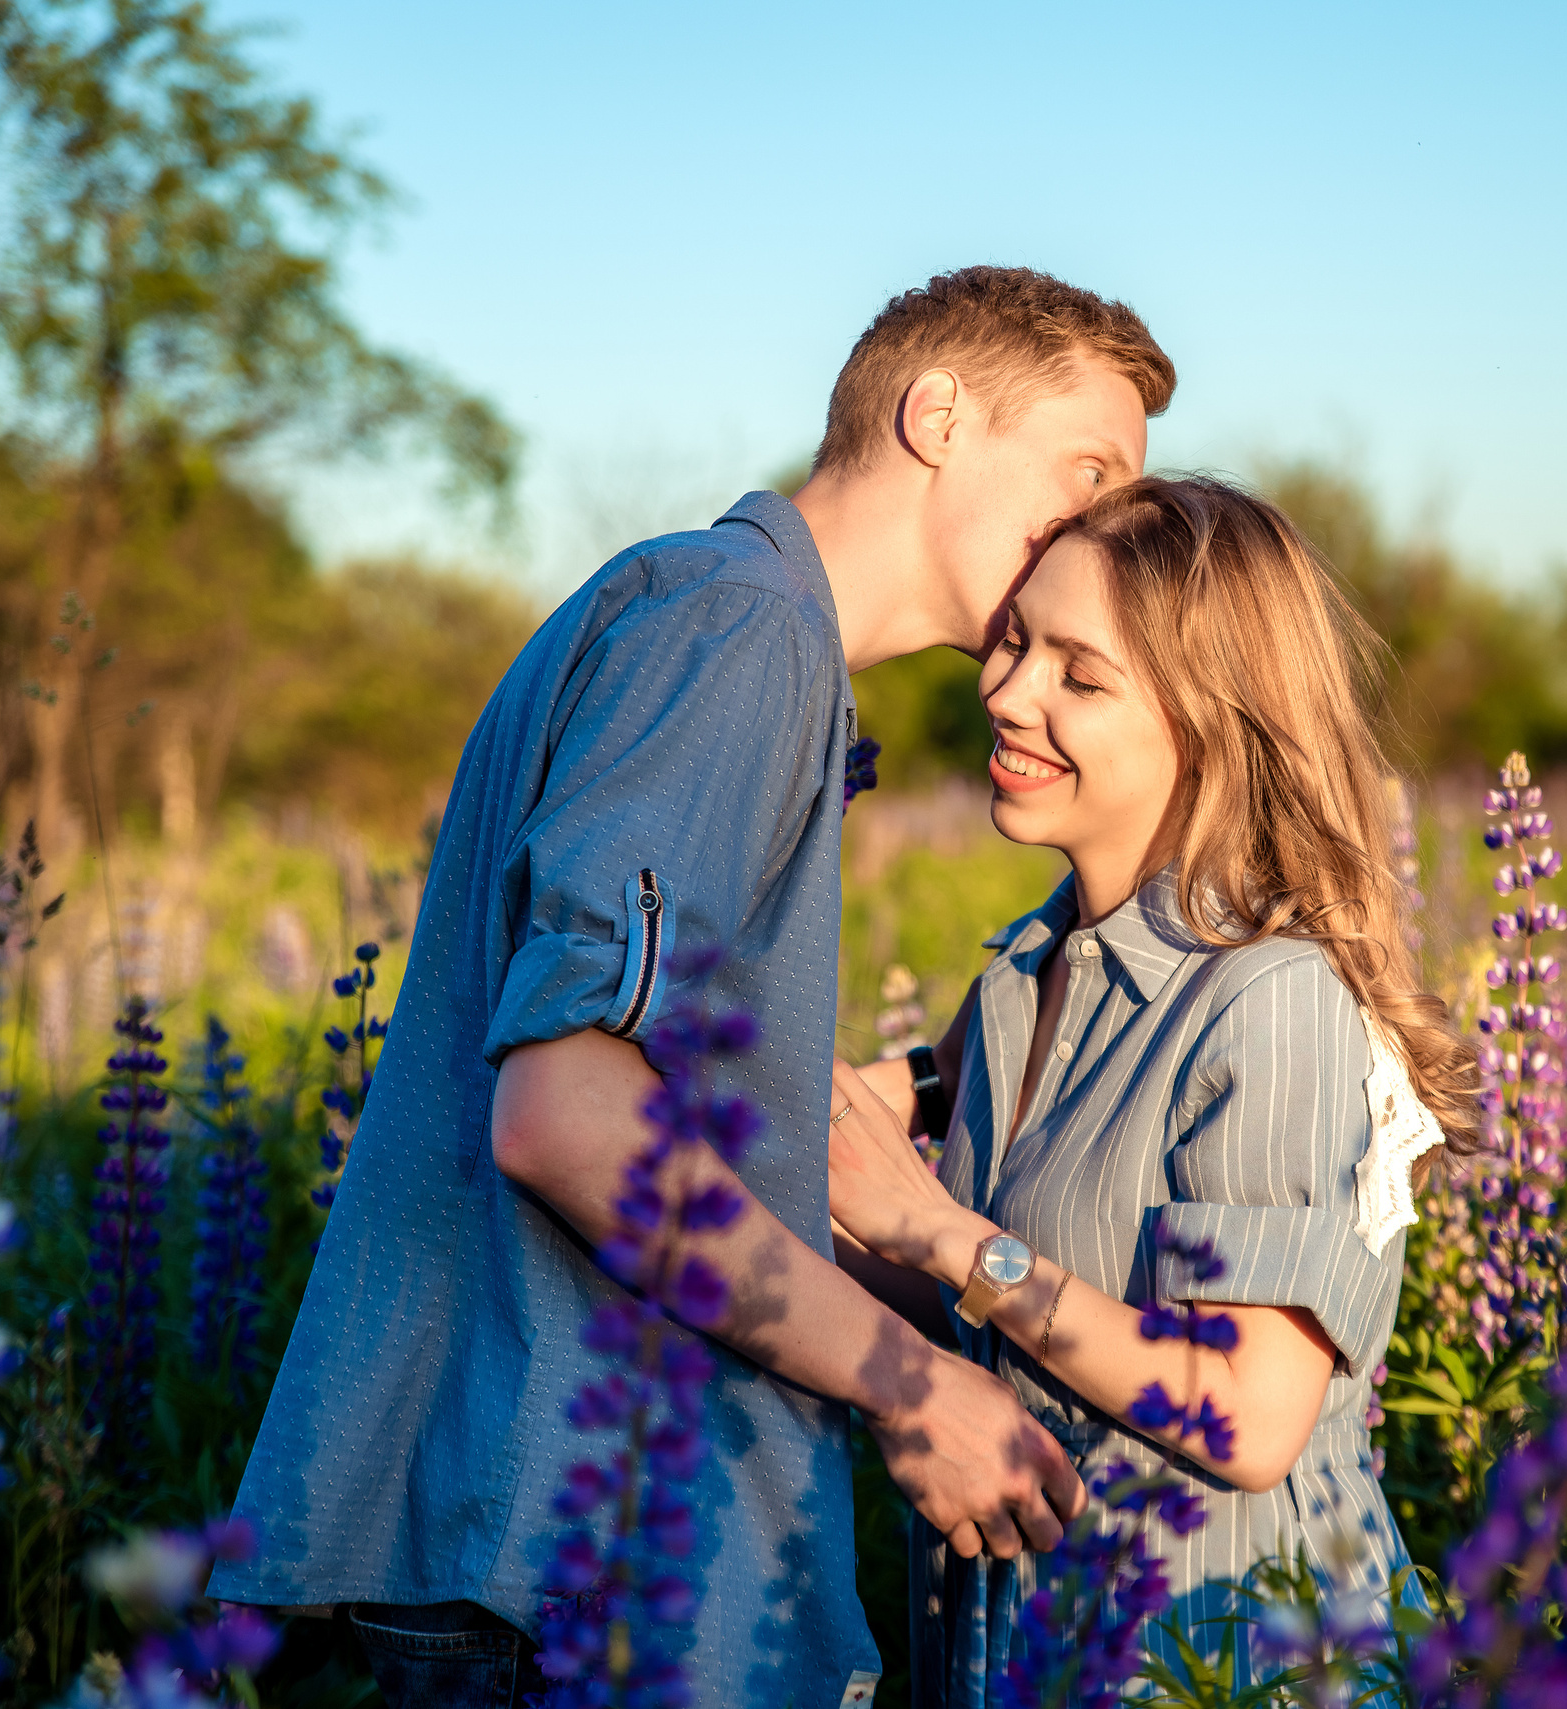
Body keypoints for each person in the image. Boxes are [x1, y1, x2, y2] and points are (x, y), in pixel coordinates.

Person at [212, 267, 1177, 1709]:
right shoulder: (737, 637)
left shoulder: (718, 621)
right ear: (937, 415)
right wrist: (908, 1386)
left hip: (540, 1546)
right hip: (562, 1556)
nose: (1100, 527)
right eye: (1084, 472)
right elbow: (569, 1114)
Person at [830, 476, 1480, 1704]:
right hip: (1026, 1648)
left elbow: (1246, 1415)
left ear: (1211, 726)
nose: (1006, 690)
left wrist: (929, 1224)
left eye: (1080, 674)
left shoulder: (1268, 997)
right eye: (1017, 640)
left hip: (1228, 1655)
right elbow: (980, 1314)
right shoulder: (1030, 969)